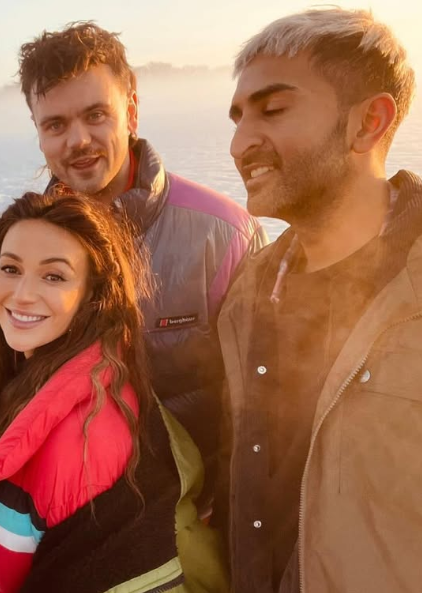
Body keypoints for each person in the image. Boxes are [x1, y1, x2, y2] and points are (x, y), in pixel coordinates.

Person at [17, 22, 267, 507]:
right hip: (67, 520)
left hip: (190, 515)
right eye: (55, 125)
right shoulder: (23, 246)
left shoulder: (222, 234)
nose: (78, 140)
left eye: (95, 115)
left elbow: (258, 403)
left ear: (130, 110)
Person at [217, 8, 420, 593]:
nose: (239, 143)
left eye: (273, 110)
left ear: (369, 123)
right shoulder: (249, 292)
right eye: (237, 118)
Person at [0, 192, 227, 593]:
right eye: (10, 268)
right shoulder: (15, 378)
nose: (21, 294)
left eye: (54, 276)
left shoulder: (86, 436)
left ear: (93, 294)